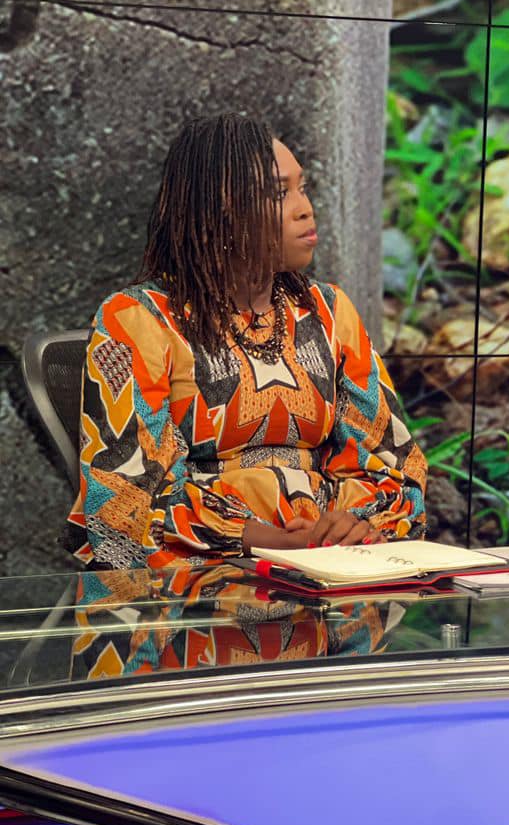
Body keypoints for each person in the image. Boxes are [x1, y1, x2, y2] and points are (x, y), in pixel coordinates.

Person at [66, 114, 429, 570]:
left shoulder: (330, 312)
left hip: (334, 571)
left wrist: (352, 527)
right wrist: (266, 541)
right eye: (279, 193)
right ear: (218, 210)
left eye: (303, 188)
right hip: (204, 580)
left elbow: (395, 468)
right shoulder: (137, 320)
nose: (304, 208)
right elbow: (124, 496)